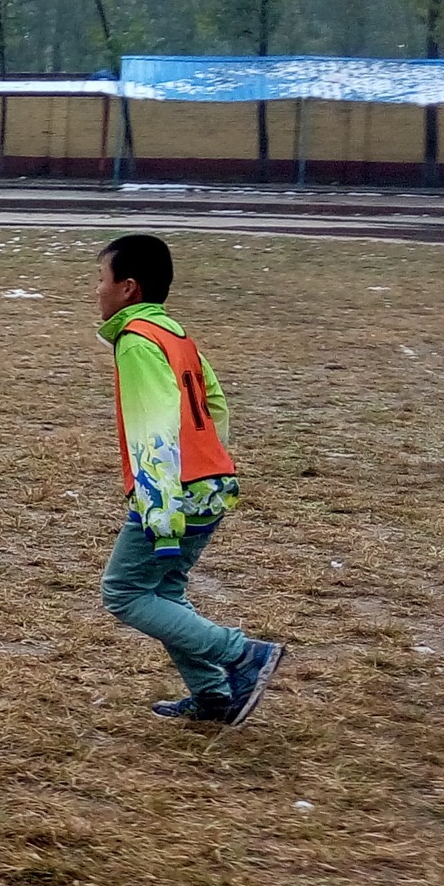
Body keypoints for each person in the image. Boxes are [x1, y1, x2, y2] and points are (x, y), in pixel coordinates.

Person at [94, 233, 285, 726]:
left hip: (174, 491)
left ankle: (242, 654)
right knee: (166, 594)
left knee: (125, 593)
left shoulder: (136, 341)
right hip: (210, 483)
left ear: (129, 287)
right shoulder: (175, 335)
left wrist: (159, 504)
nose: (97, 290)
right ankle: (217, 697)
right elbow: (216, 405)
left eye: (101, 279)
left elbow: (153, 426)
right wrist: (209, 460)